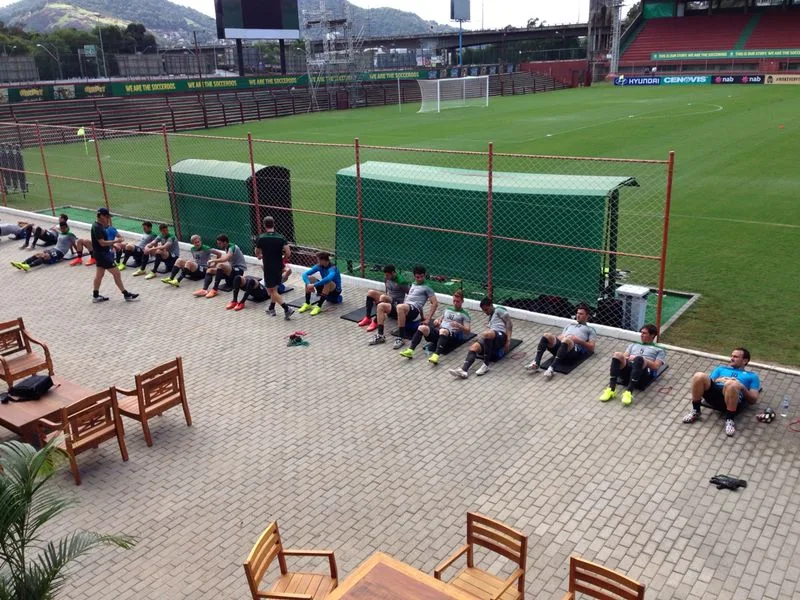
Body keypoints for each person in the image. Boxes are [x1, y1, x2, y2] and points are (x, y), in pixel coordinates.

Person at [682, 348, 760, 437]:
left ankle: (730, 420)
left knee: (731, 384)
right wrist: (719, 379)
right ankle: (696, 410)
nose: (732, 358)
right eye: (732, 356)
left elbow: (753, 400)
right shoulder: (721, 369)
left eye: (735, 357)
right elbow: (708, 382)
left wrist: (741, 386)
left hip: (732, 399)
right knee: (698, 376)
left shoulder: (752, 376)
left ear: (745, 360)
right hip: (715, 394)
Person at [369, 265, 437, 349]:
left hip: (413, 311)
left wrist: (428, 319)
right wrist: (423, 316)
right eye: (417, 277)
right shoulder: (414, 284)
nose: (419, 279)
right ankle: (380, 335)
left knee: (400, 307)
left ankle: (401, 338)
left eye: (421, 277)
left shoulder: (427, 287)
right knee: (381, 305)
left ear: (425, 275)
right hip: (405, 309)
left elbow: (434, 303)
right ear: (414, 276)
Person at [597, 323, 666, 406]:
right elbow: (625, 356)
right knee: (617, 354)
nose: (641, 335)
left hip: (643, 373)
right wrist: (625, 357)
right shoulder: (634, 344)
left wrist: (640, 358)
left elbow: (656, 366)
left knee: (639, 359)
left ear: (652, 335)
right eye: (641, 333)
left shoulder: (659, 350)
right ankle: (611, 389)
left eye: (644, 333)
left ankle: (629, 392)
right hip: (628, 369)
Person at [399, 289, 470, 365]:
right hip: (440, 333)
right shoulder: (448, 309)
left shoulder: (464, 314)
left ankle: (436, 356)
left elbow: (468, 331)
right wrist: (437, 321)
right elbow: (440, 320)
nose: (455, 303)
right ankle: (410, 350)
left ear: (462, 301)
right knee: (422, 327)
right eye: (454, 301)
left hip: (451, 337)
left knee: (443, 331)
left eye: (458, 301)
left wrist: (460, 326)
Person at [525, 304, 596, 378]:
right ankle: (536, 363)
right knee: (547, 335)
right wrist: (556, 339)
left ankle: (552, 368)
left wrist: (578, 340)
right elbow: (560, 337)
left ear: (587, 316)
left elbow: (592, 347)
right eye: (577, 313)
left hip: (573, 351)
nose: (578, 315)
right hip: (563, 346)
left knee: (566, 340)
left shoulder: (590, 329)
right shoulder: (569, 325)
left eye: (581, 314)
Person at [448, 297, 511, 378]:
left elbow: (509, 324)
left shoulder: (499, 310)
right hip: (492, 338)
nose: (485, 312)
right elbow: (488, 331)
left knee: (487, 334)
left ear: (491, 305)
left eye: (486, 309)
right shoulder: (491, 318)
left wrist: (508, 341)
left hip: (501, 336)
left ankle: (486, 365)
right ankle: (464, 370)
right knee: (474, 347)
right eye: (483, 310)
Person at [90, 207, 138, 303]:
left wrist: (113, 245)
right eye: (106, 217)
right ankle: (126, 294)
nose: (108, 219)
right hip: (103, 255)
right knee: (116, 273)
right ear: (101, 216)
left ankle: (95, 296)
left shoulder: (100, 226)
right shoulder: (97, 227)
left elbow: (105, 241)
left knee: (99, 275)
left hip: (100, 254)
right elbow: (102, 243)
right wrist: (116, 241)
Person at [254, 215, 294, 320]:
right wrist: (283, 258)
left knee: (271, 290)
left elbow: (257, 252)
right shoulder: (281, 238)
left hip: (268, 266)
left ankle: (286, 309)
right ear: (274, 224)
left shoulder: (261, 238)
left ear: (264, 225)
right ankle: (271, 308)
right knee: (274, 288)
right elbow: (288, 252)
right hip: (279, 266)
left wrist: (259, 256)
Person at [357, 264, 409, 332]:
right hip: (388, 300)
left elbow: (410, 294)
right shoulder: (386, 278)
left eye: (387, 275)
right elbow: (386, 291)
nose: (385, 277)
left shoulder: (401, 281)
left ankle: (376, 321)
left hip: (397, 304)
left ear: (393, 273)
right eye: (385, 275)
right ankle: (368, 318)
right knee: (371, 292)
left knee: (383, 297)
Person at [192, 234, 247, 298]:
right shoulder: (227, 247)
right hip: (232, 271)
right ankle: (204, 290)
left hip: (239, 270)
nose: (218, 245)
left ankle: (215, 289)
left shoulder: (232, 247)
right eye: (218, 243)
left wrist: (213, 261)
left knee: (221, 265)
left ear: (225, 242)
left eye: (220, 243)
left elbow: (225, 259)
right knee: (210, 270)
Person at [10, 222, 77, 271]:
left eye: (63, 228)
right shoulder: (61, 233)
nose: (62, 229)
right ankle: (21, 264)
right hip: (55, 249)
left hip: (60, 253)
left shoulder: (70, 235)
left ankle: (28, 266)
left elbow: (72, 243)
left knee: (45, 256)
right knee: (38, 254)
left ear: (67, 227)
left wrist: (75, 252)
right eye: (61, 228)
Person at [298, 252, 342, 316]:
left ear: (323, 260)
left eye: (318, 260)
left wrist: (314, 285)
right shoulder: (319, 266)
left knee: (327, 282)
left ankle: (318, 306)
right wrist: (308, 284)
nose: (317, 261)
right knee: (310, 278)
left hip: (335, 291)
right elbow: (305, 274)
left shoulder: (333, 268)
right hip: (325, 287)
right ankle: (307, 303)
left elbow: (328, 279)